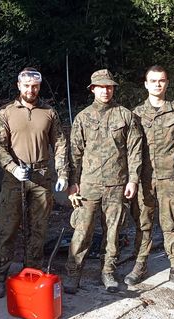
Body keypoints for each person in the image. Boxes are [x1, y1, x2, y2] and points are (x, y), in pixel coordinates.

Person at [0, 68, 69, 298]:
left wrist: (62, 173)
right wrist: (12, 168)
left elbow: (60, 143)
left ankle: (32, 272)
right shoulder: (5, 113)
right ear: (18, 85)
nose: (30, 90)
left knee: (39, 229)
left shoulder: (49, 113)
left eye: (34, 86)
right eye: (26, 86)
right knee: (8, 227)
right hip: (15, 177)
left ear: (39, 87)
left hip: (41, 176)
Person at [63, 69, 142, 294]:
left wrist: (133, 180)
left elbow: (134, 151)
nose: (105, 90)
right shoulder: (82, 118)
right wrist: (73, 182)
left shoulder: (125, 116)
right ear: (93, 89)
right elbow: (75, 153)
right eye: (101, 87)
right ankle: (73, 273)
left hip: (117, 184)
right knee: (82, 230)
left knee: (113, 231)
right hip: (88, 185)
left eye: (109, 86)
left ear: (113, 88)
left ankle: (108, 272)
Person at [125, 65, 174, 288]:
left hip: (169, 177)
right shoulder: (136, 114)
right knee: (143, 224)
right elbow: (130, 147)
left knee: (171, 223)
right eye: (153, 81)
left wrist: (171, 156)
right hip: (144, 178)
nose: (158, 84)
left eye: (162, 80)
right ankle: (140, 264)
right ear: (146, 84)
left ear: (166, 83)